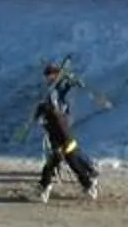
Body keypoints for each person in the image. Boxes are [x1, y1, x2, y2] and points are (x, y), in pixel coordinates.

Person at [35, 74, 99, 202]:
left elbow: (63, 90)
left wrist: (71, 82)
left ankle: (89, 179)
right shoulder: (49, 107)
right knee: (59, 159)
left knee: (69, 158)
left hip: (64, 135)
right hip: (59, 136)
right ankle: (45, 186)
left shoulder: (55, 108)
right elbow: (40, 118)